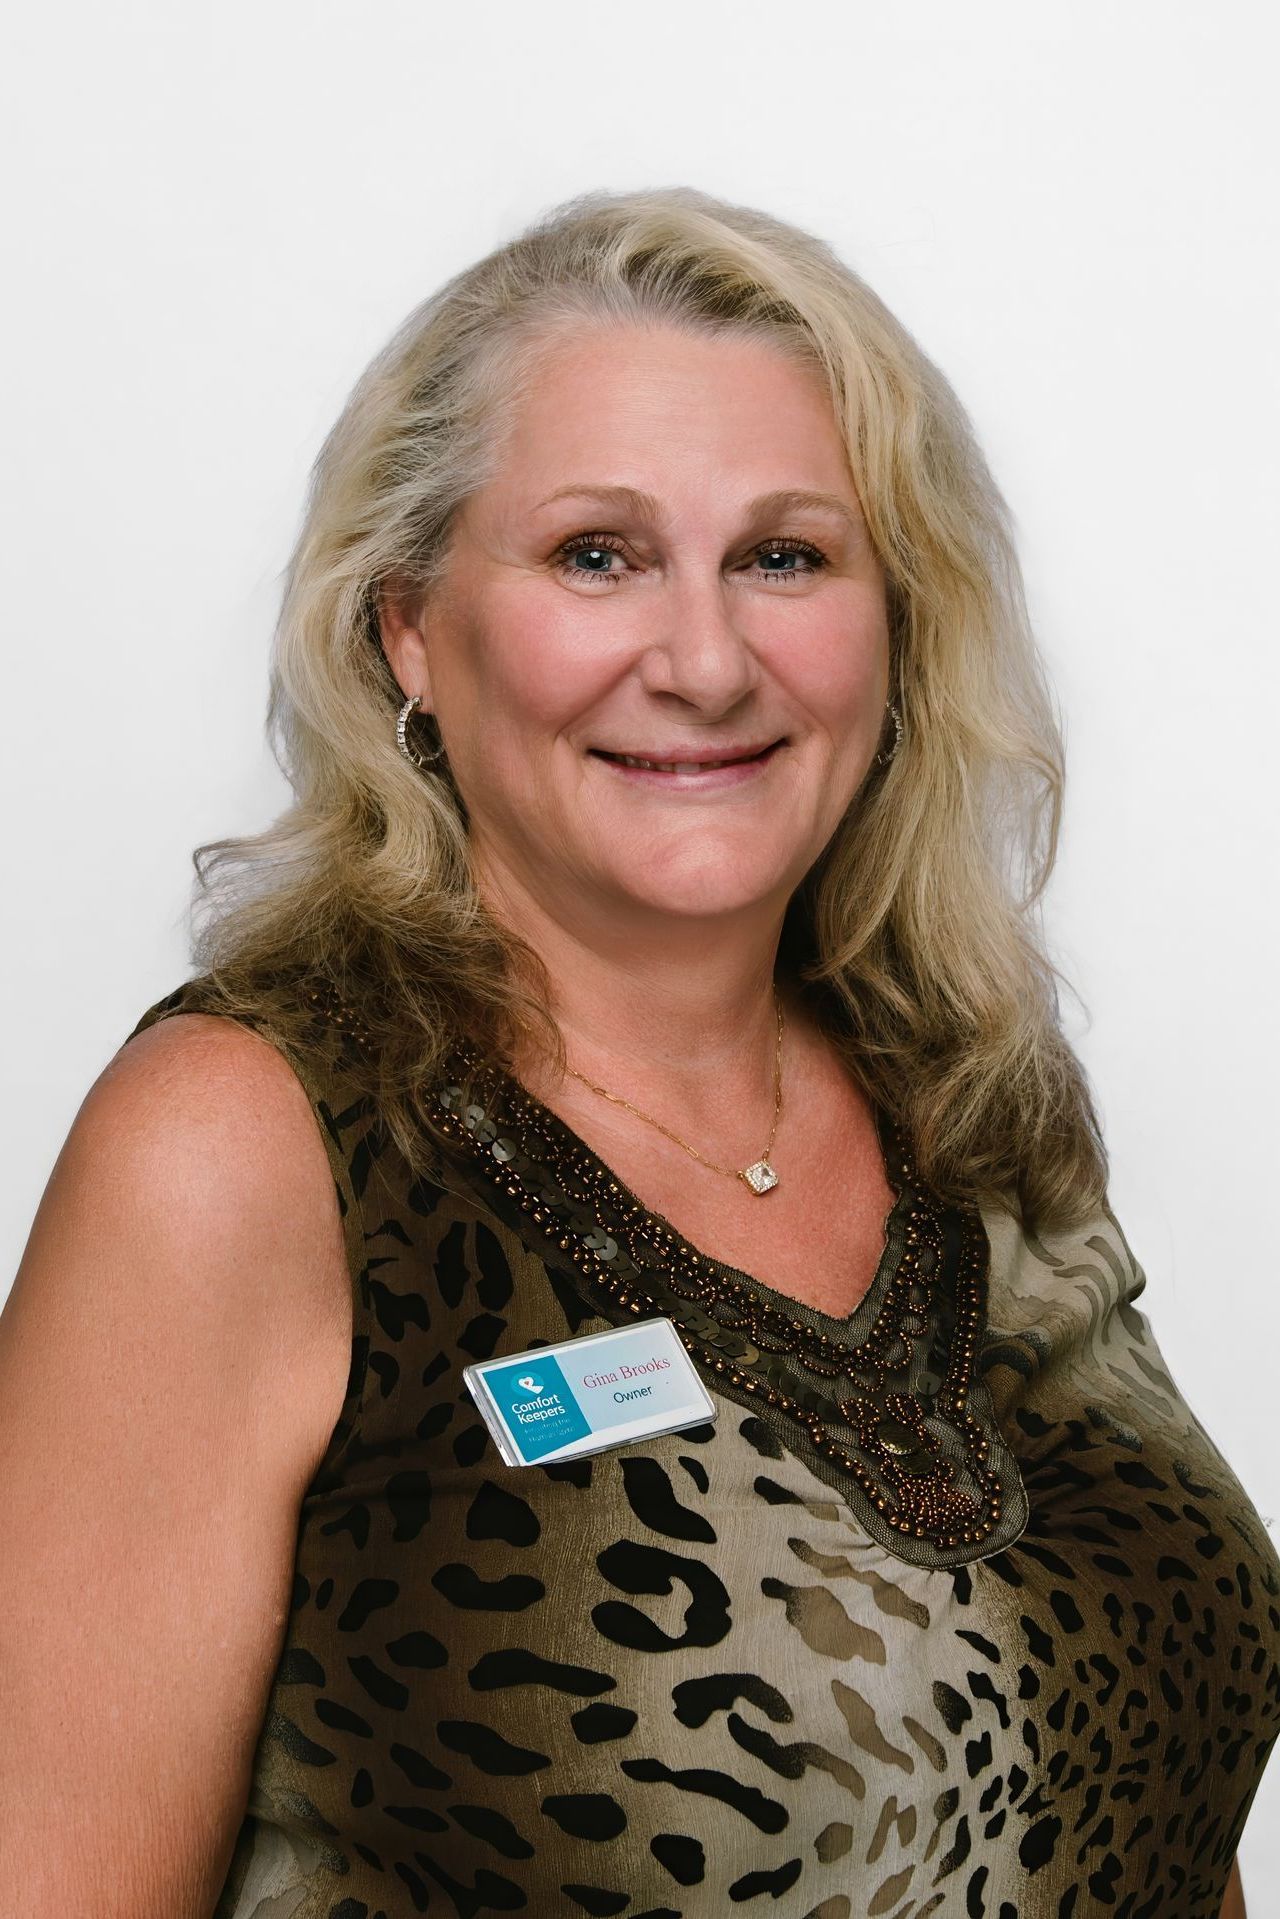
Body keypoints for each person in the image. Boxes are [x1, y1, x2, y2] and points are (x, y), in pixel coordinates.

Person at [2, 186, 1272, 1919]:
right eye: (597, 554)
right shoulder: (246, 1149)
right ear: (409, 634)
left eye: (785, 556)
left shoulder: (973, 1100)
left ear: (895, 629)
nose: (703, 658)